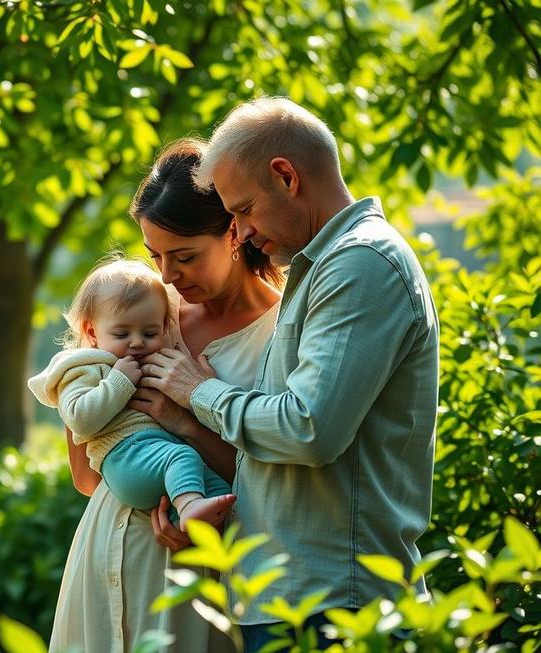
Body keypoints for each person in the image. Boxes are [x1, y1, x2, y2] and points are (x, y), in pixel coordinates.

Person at [141, 97, 439, 651]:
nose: (241, 232)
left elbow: (308, 428)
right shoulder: (322, 268)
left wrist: (196, 390)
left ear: (286, 176)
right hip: (293, 598)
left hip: (334, 603)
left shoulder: (360, 263)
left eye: (244, 209)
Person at [48, 139, 283, 653]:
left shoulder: (280, 333)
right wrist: (88, 389)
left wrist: (186, 426)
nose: (168, 275)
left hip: (201, 569)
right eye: (156, 256)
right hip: (108, 548)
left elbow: (281, 486)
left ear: (233, 232)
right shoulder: (146, 313)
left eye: (184, 256)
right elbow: (87, 478)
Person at [29, 258, 237, 531]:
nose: (137, 342)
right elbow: (79, 419)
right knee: (183, 458)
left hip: (157, 460)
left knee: (221, 492)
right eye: (122, 333)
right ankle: (188, 508)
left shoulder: (160, 361)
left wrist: (204, 388)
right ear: (92, 331)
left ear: (164, 327)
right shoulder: (84, 367)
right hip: (124, 458)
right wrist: (118, 382)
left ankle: (187, 526)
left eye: (149, 332)